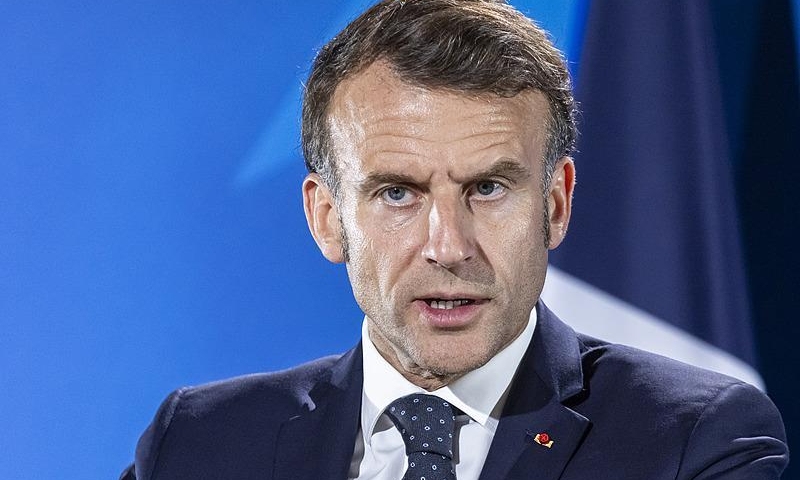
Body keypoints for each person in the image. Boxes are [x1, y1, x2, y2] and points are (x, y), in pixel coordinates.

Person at [121, 1, 789, 479]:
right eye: (398, 193)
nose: (448, 246)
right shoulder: (200, 442)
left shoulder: (694, 439)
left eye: (488, 188)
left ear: (555, 205)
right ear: (326, 217)